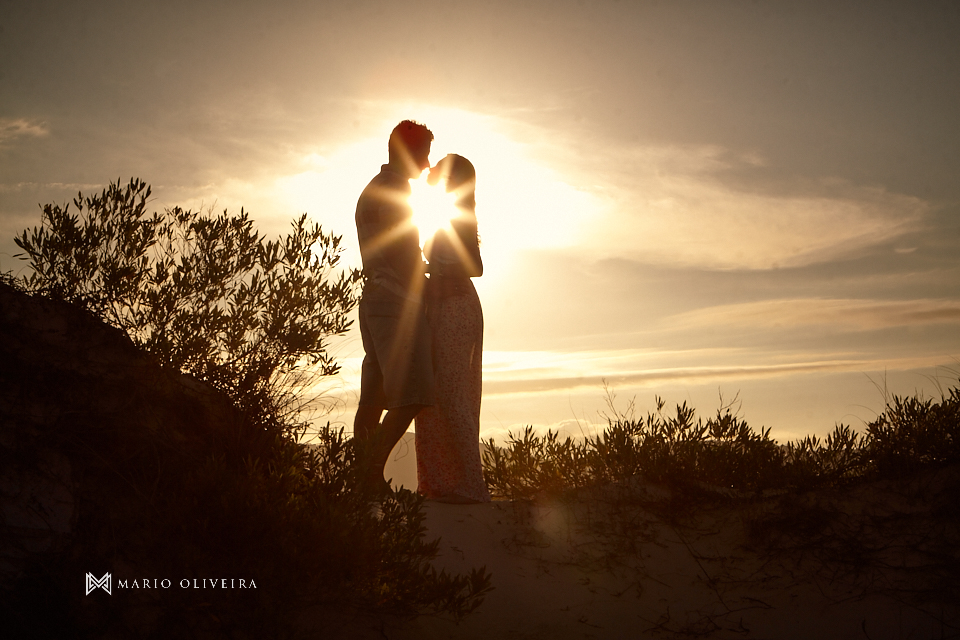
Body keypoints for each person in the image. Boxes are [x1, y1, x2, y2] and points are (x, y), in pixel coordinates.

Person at [353, 120, 435, 491]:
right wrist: (429, 286)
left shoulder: (374, 187)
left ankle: (362, 479)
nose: (428, 164)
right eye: (424, 154)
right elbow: (402, 252)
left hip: (374, 300)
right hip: (396, 303)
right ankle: (369, 473)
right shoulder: (395, 190)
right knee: (413, 394)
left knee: (373, 397)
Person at [415, 154, 491, 504]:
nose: (432, 169)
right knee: (440, 391)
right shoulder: (446, 211)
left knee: (452, 393)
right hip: (446, 306)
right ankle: (444, 482)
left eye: (440, 166)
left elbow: (474, 265)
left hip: (456, 306)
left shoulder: (459, 213)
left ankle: (471, 484)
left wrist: (439, 274)